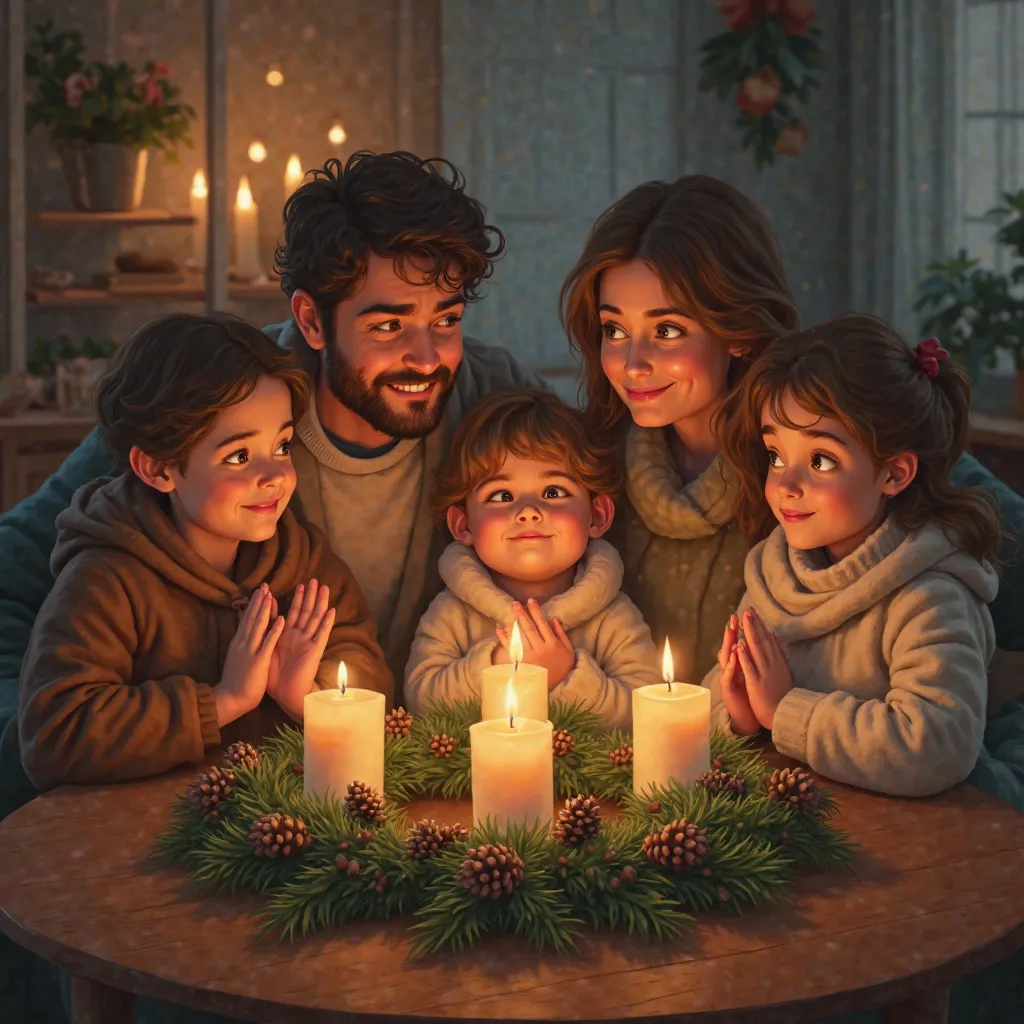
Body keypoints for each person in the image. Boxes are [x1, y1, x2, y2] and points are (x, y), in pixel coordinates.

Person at [0, 151, 547, 813]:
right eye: (387, 325)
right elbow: (15, 568)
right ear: (313, 321)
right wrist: (36, 765)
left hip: (432, 786)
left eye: (447, 320)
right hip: (223, 806)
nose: (427, 357)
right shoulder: (221, 395)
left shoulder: (494, 398)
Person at [560, 174, 1024, 806]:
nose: (633, 362)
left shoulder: (839, 447)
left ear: (740, 330)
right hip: (678, 787)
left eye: (667, 329)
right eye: (615, 329)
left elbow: (947, 707)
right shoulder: (588, 473)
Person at [18, 313, 392, 789]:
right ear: (157, 468)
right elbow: (54, 735)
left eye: (281, 446)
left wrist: (309, 697)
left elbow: (371, 684)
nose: (275, 475)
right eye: (238, 456)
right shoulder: (107, 580)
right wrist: (224, 700)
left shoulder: (305, 565)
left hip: (283, 835)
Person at [702, 316, 999, 797]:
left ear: (895, 473)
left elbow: (939, 745)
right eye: (776, 454)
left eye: (821, 460)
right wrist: (736, 714)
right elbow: (715, 692)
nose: (786, 483)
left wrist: (784, 712)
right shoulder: (774, 577)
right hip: (791, 823)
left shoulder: (928, 596)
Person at [404, 388, 660, 727]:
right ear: (463, 524)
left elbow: (647, 712)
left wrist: (567, 676)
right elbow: (421, 699)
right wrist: (498, 665)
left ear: (596, 516)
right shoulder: (452, 613)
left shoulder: (614, 618)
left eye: (553, 492)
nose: (527, 511)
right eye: (502, 495)